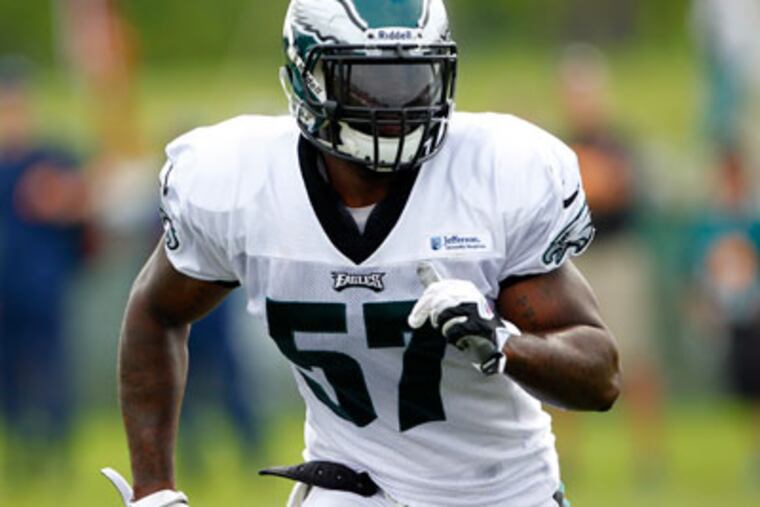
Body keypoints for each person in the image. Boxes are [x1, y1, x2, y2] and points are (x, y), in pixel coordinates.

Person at [103, 2, 620, 506]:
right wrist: (154, 490)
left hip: (498, 491)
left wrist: (502, 342)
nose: (398, 103)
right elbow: (157, 310)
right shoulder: (244, 183)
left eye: (415, 77)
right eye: (370, 81)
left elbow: (600, 376)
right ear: (309, 78)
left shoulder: (493, 174)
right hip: (351, 485)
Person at [0, 57, 90, 475]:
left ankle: (56, 447)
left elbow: (87, 207)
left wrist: (63, 198)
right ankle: (18, 448)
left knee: (50, 369)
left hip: (42, 287)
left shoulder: (52, 158)